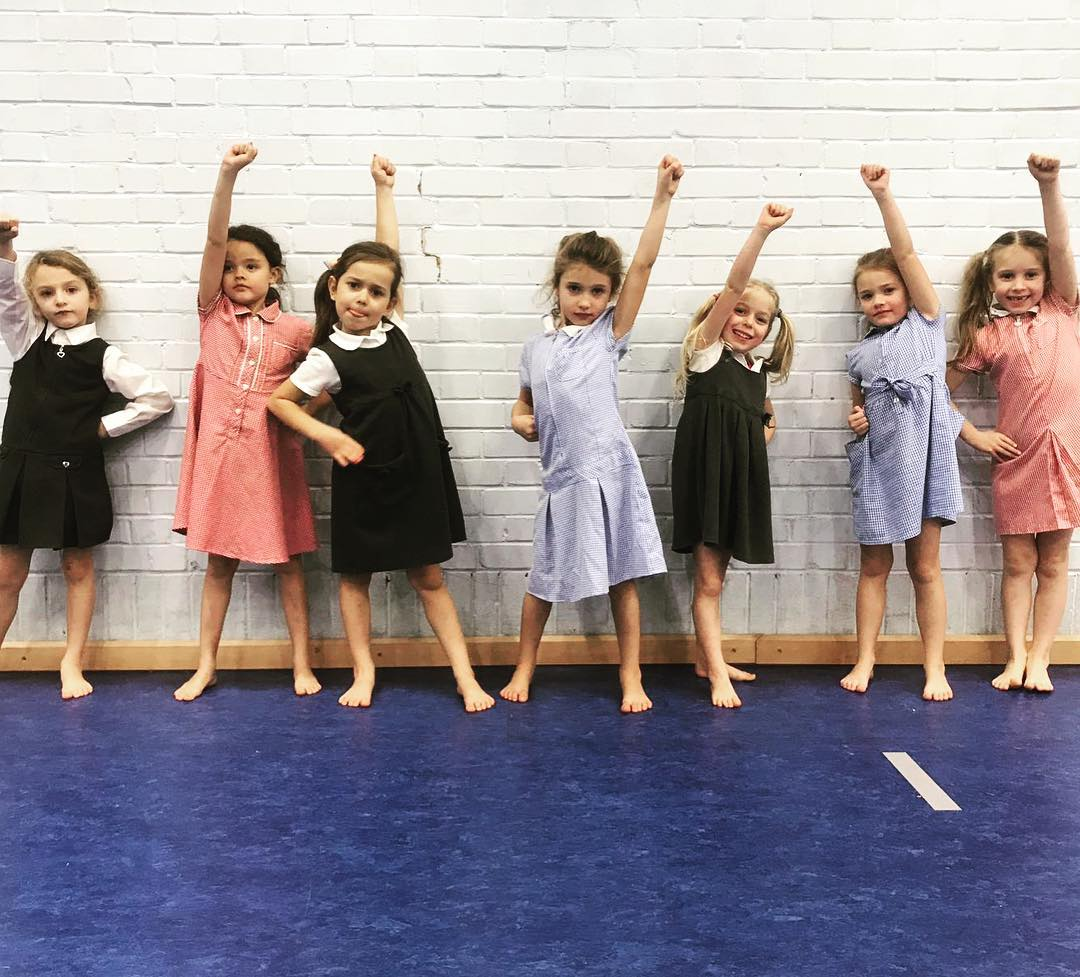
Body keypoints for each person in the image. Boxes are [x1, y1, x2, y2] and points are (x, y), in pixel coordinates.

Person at [267, 157, 494, 713]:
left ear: (391, 302)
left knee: (429, 576)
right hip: (364, 478)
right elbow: (277, 403)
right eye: (353, 286)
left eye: (375, 292)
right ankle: (363, 671)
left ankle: (465, 676)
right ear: (334, 286)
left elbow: (388, 252)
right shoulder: (325, 357)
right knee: (354, 578)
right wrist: (327, 436)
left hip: (415, 473)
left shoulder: (396, 329)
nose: (362, 298)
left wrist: (384, 190)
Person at [501, 155, 684, 713]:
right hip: (562, 481)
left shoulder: (609, 335)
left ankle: (631, 675)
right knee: (542, 580)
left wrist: (662, 198)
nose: (585, 301)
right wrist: (518, 418)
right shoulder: (536, 349)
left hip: (608, 474)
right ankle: (524, 666)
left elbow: (646, 266)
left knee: (622, 579)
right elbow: (523, 403)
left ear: (610, 296)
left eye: (597, 291)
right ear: (556, 287)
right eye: (574, 288)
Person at [172, 143, 325, 701]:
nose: (238, 273)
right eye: (231, 266)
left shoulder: (297, 332)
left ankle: (301, 664)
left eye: (252, 265)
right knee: (220, 566)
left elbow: (335, 374)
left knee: (288, 565)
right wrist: (226, 176)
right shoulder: (213, 314)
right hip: (221, 456)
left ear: (274, 273)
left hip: (273, 458)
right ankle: (206, 664)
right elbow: (215, 242)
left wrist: (304, 416)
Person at [0, 218, 173, 698]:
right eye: (48, 293)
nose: (59, 300)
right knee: (6, 575)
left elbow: (157, 399)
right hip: (20, 471)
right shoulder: (26, 341)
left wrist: (103, 427)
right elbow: (6, 298)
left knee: (77, 569)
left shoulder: (104, 355)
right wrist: (4, 247)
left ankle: (71, 662)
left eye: (70, 289)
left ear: (90, 295)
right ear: (37, 303)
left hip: (75, 474)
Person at [949, 154, 1079, 693]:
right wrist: (974, 434)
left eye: (1030, 274)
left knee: (1054, 564)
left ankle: (1043, 659)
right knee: (1019, 562)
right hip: (1018, 459)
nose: (1019, 284)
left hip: (1067, 453)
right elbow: (937, 390)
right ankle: (1015, 656)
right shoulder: (987, 334)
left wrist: (1048, 186)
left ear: (1047, 278)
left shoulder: (1064, 310)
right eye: (1007, 276)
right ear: (992, 281)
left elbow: (1062, 246)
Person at [843, 165, 966, 702]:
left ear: (907, 291)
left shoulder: (927, 323)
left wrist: (882, 195)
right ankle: (865, 656)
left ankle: (934, 665)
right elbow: (857, 406)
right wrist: (857, 419)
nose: (880, 301)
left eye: (888, 289)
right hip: (879, 463)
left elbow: (907, 253)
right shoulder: (859, 353)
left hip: (927, 459)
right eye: (868, 296)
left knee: (924, 566)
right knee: (874, 565)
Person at [670, 203, 795, 708]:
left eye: (759, 318)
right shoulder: (706, 351)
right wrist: (761, 231)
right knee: (708, 578)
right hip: (705, 474)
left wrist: (765, 426)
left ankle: (708, 659)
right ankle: (716, 673)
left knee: (717, 576)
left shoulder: (754, 370)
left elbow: (762, 413)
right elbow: (734, 284)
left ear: (771, 330)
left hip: (736, 477)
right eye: (739, 311)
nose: (746, 322)